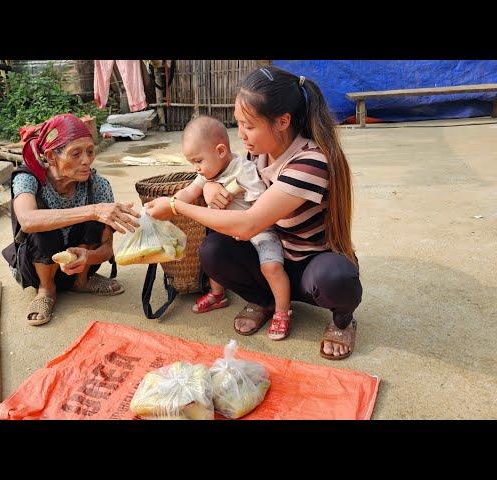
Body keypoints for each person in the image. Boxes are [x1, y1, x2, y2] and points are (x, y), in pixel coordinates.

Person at [145, 66, 362, 360]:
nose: (241, 135)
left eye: (249, 125)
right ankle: (264, 301)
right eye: (238, 124)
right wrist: (209, 186)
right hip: (270, 257)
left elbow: (248, 224)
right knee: (213, 250)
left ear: (283, 121)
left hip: (310, 267)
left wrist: (175, 205)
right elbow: (228, 175)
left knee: (336, 277)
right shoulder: (256, 154)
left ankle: (343, 322)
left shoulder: (311, 162)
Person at [1, 113, 140, 326]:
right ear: (51, 157)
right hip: (36, 267)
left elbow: (107, 250)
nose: (86, 160)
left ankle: (81, 281)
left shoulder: (98, 186)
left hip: (80, 265)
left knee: (96, 221)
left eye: (90, 151)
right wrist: (93, 210)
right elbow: (28, 220)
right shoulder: (28, 179)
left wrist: (88, 256)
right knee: (43, 223)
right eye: (76, 154)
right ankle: (46, 290)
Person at [170, 115, 292, 340]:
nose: (196, 168)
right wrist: (170, 204)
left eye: (198, 161)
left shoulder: (243, 170)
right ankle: (217, 294)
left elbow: (261, 207)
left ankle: (282, 311)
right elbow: (189, 192)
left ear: (220, 151)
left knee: (272, 268)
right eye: (192, 163)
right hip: (231, 233)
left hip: (259, 231)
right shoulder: (206, 174)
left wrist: (243, 222)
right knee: (210, 255)